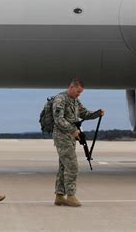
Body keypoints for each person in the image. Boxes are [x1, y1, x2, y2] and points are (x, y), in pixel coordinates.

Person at [52, 78, 104, 207]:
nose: (79, 94)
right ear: (71, 87)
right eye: (78, 92)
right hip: (62, 137)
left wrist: (97, 113)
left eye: (80, 93)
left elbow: (84, 113)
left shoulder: (74, 100)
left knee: (64, 166)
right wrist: (72, 130)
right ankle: (70, 196)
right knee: (72, 165)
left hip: (70, 137)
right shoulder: (60, 99)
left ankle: (59, 196)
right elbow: (58, 119)